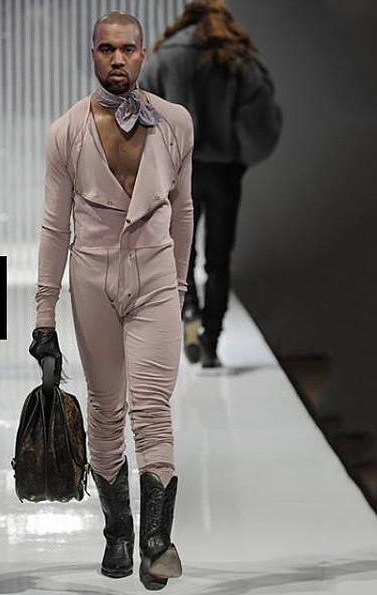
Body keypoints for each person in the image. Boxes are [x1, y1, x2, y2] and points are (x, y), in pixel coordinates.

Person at [28, 11, 193, 590]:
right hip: (92, 278)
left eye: (127, 49)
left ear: (144, 54)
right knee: (105, 410)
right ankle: (118, 531)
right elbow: (55, 228)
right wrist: (43, 319)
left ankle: (156, 543)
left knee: (152, 408)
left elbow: (184, 210)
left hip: (155, 276)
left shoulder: (175, 122)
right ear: (92, 53)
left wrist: (178, 287)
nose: (117, 59)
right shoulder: (65, 132)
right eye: (106, 49)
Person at [139, 0, 281, 369]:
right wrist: (239, 155)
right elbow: (261, 117)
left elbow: (140, 116)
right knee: (219, 259)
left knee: (182, 254)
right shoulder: (237, 59)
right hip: (223, 173)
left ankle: (189, 310)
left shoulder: (164, 57)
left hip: (179, 172)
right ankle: (212, 342)